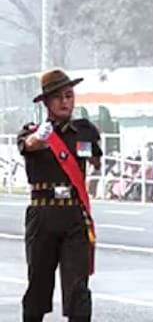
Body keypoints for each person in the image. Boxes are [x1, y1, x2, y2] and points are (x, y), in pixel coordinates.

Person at [17, 68, 103, 322]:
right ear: (46, 102)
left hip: (74, 215)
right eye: (58, 97)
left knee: (78, 287)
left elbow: (96, 160)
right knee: (38, 284)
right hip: (43, 214)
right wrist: (40, 137)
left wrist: (93, 156)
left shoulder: (84, 131)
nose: (65, 102)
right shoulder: (32, 131)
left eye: (69, 95)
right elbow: (28, 145)